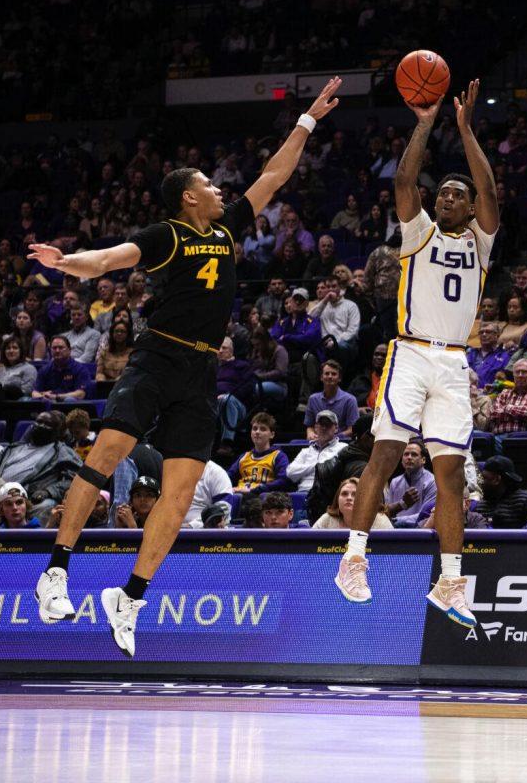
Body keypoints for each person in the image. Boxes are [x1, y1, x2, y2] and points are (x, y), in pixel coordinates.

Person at [28, 78, 342, 656]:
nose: (219, 188)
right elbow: (110, 259)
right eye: (207, 184)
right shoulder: (166, 235)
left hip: (201, 373)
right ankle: (55, 572)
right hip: (157, 356)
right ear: (188, 197)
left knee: (180, 494)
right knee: (107, 452)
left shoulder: (226, 229)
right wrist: (66, 261)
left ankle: (131, 597)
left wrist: (307, 122)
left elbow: (273, 176)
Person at [336, 80, 500, 627]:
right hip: (409, 353)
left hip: (454, 362)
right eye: (444, 193)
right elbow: (405, 180)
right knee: (384, 454)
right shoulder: (419, 233)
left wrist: (467, 129)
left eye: (459, 194)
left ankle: (451, 581)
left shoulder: (480, 241)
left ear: (471, 207)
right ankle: (354, 557)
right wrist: (427, 121)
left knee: (451, 474)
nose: (448, 197)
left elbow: (492, 194)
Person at [0, 411, 81, 521]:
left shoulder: (63, 452)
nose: (41, 426)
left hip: (30, 499)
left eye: (47, 424)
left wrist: (49, 491)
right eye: (39, 422)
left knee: (47, 505)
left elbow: (76, 479)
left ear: (57, 432)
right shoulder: (11, 448)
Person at [229, 412, 291, 497]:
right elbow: (227, 477)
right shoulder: (244, 457)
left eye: (263, 429)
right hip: (239, 497)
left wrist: (254, 490)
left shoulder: (278, 456)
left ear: (272, 435)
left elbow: (283, 481)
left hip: (263, 499)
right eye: (254, 428)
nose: (257, 432)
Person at [488, 359, 527, 434]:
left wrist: (507, 408)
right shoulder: (504, 393)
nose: (520, 375)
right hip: (499, 436)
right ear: (513, 376)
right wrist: (523, 416)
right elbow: (493, 415)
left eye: (524, 372)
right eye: (517, 372)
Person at [304, 359, 359, 438]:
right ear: (321, 377)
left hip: (341, 445)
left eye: (333, 374)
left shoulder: (350, 400)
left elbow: (352, 429)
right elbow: (309, 426)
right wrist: (310, 433)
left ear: (339, 378)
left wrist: (332, 438)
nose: (330, 376)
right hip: (318, 443)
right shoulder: (313, 399)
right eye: (327, 373)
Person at [314, 477, 393, 530]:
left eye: (355, 494)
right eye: (344, 494)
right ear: (337, 500)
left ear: (366, 500)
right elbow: (309, 547)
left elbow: (393, 551)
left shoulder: (380, 520)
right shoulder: (327, 519)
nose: (349, 498)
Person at [31, 336, 91, 402]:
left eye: (61, 347)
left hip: (72, 408)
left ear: (69, 350)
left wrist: (56, 397)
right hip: (49, 406)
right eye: (54, 348)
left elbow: (80, 394)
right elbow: (34, 393)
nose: (57, 351)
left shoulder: (80, 369)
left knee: (69, 400)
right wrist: (43, 396)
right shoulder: (44, 370)